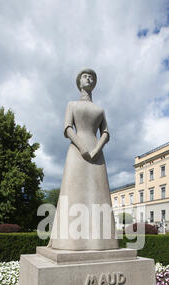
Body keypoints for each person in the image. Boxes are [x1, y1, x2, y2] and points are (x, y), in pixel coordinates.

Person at [49, 68, 118, 251]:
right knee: (73, 192)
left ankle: (101, 242)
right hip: (76, 152)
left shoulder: (100, 109)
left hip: (96, 154)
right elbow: (67, 128)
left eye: (91, 77)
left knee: (98, 196)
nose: (88, 79)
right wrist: (81, 146)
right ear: (79, 82)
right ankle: (69, 241)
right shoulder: (72, 104)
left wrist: (96, 149)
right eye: (85, 76)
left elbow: (106, 132)